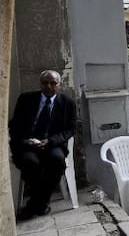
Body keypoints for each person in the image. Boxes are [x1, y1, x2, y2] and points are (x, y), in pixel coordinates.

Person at [9, 70, 77, 220]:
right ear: (40, 84)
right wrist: (24, 140)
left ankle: (34, 204)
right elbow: (15, 124)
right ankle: (41, 204)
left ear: (59, 85)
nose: (48, 86)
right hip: (29, 145)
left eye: (53, 83)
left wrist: (51, 141)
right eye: (45, 83)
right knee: (29, 162)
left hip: (52, 144)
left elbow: (70, 129)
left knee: (57, 160)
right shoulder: (26, 99)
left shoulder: (68, 103)